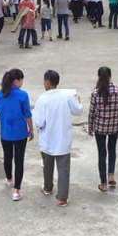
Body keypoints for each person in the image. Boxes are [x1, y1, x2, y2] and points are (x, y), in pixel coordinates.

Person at [33, 70, 83, 207]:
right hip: (63, 140)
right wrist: (79, 101)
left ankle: (48, 188)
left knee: (47, 166)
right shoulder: (67, 96)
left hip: (47, 140)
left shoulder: (42, 99)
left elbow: (39, 122)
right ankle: (62, 198)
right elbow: (78, 110)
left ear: (47, 82)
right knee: (63, 170)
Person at [0, 69, 34, 201]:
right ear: (16, 81)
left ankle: (9, 179)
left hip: (5, 133)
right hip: (20, 134)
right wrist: (31, 129)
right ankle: (16, 191)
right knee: (19, 161)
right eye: (21, 80)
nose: (22, 83)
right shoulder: (23, 95)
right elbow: (27, 115)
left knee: (7, 157)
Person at [87, 67, 118, 192]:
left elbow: (92, 112)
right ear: (110, 76)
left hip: (100, 127)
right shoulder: (117, 90)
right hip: (114, 126)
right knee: (112, 150)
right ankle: (111, 176)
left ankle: (103, 183)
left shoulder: (95, 93)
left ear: (98, 76)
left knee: (102, 154)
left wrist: (90, 127)